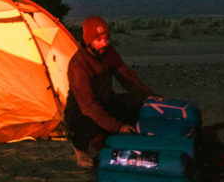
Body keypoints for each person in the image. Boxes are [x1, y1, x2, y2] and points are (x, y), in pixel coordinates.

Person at [65, 15, 157, 168]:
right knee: (90, 124)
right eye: (99, 40)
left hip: (106, 101)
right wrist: (118, 127)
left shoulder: (108, 53)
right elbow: (89, 106)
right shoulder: (78, 65)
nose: (104, 43)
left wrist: (149, 96)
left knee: (136, 103)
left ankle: (107, 137)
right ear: (88, 41)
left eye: (106, 38)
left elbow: (126, 76)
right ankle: (80, 147)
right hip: (81, 112)